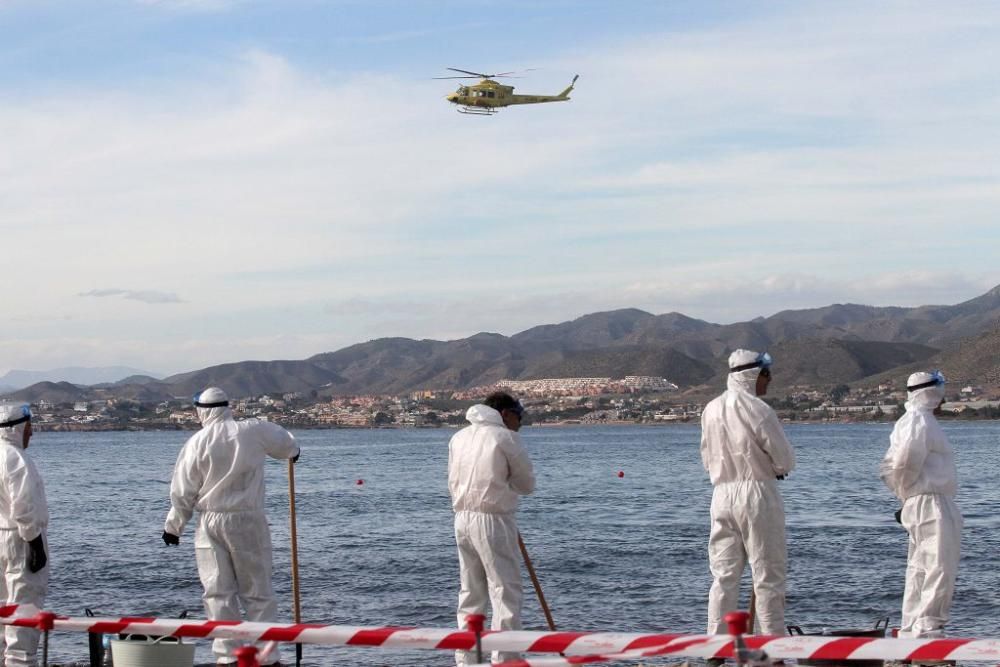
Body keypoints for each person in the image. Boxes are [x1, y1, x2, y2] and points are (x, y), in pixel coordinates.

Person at [162, 387, 299, 665]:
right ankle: (267, 656)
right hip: (248, 520)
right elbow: (286, 443)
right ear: (227, 407)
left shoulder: (197, 442)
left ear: (201, 410)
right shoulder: (253, 430)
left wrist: (174, 526)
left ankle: (227, 657)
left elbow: (183, 490)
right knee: (258, 590)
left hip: (210, 522)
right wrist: (293, 451)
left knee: (217, 591)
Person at [700, 349, 795, 637]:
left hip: (721, 495)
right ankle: (772, 645)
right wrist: (774, 467)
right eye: (767, 375)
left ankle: (715, 648)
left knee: (724, 575)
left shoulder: (711, 408)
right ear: (754, 375)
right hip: (757, 492)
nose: (769, 381)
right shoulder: (759, 409)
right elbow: (785, 459)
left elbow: (706, 456)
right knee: (768, 575)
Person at [448, 391, 535, 666]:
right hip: (494, 519)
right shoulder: (507, 438)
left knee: (470, 592)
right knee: (505, 590)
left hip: (461, 518)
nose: (520, 423)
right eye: (518, 416)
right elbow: (527, 485)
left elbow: (452, 481)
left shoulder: (458, 437)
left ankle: (466, 660)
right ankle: (505, 659)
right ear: (506, 414)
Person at [881, 370, 962, 638]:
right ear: (933, 393)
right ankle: (928, 628)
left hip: (919, 501)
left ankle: (911, 628)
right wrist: (906, 491)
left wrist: (904, 495)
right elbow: (904, 462)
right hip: (931, 502)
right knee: (939, 564)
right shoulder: (920, 421)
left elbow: (890, 467)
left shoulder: (910, 420)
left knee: (919, 569)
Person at [0, 403, 49, 667]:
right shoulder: (16, 458)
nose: (32, 434)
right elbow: (24, 505)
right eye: (29, 428)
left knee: (1, 611)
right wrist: (35, 543)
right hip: (18, 540)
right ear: (18, 429)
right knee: (23, 611)